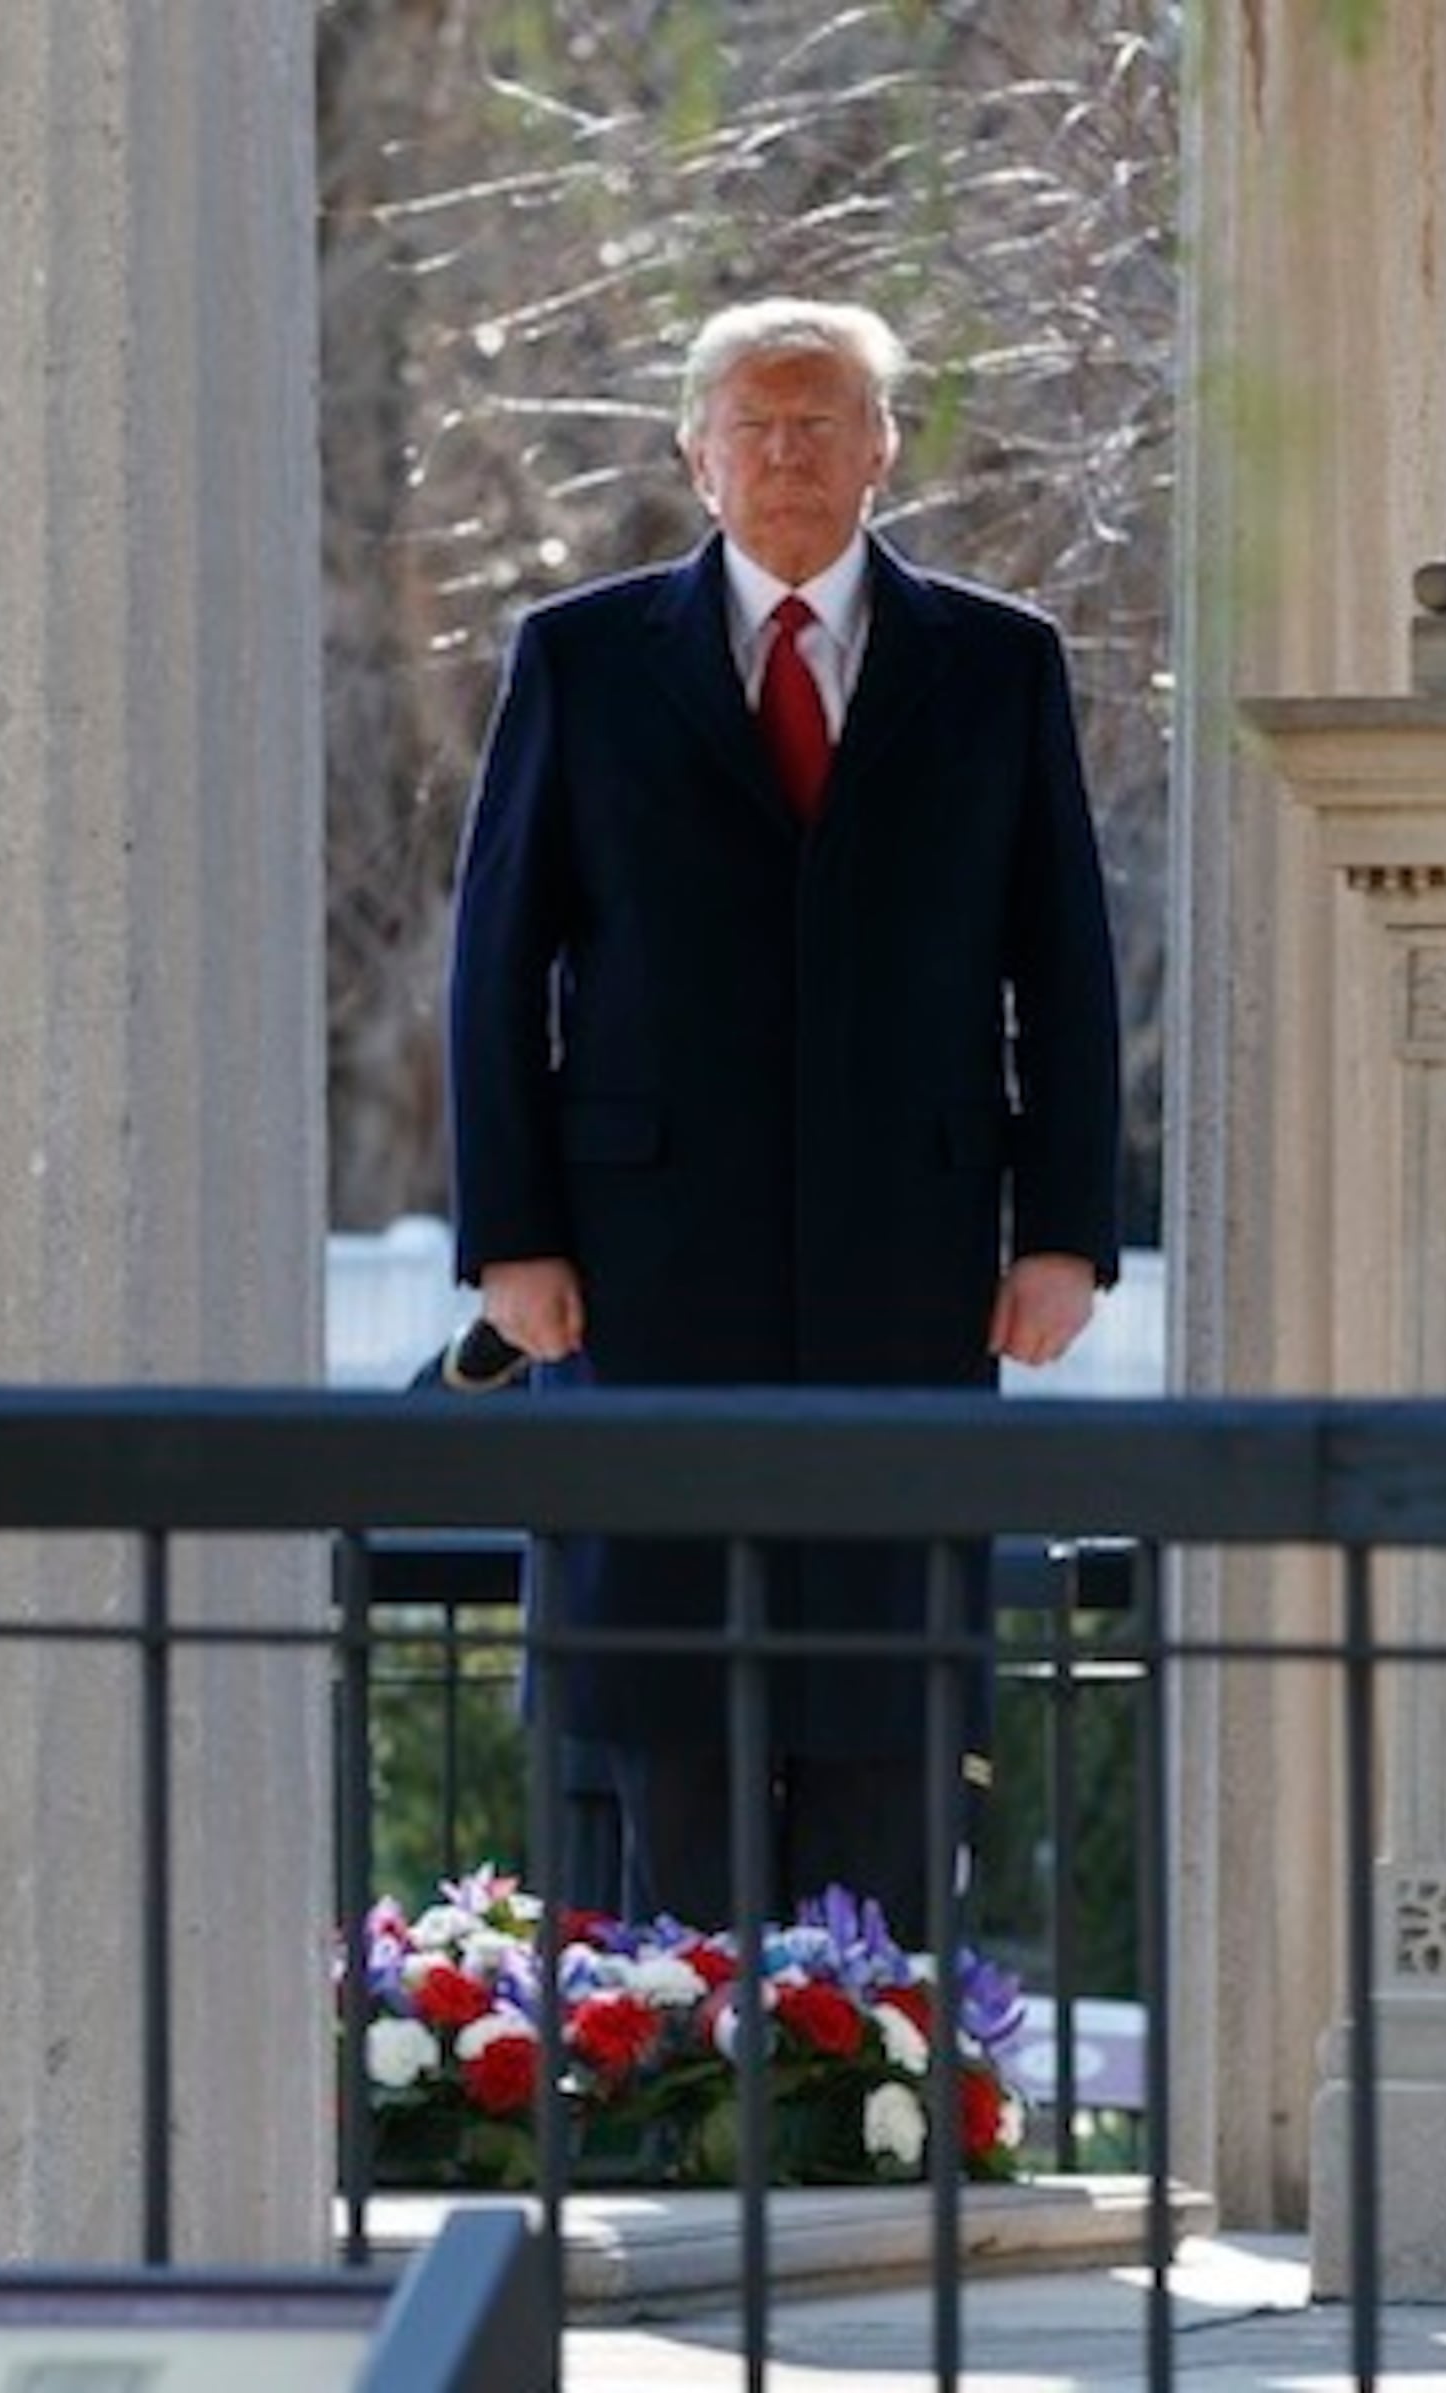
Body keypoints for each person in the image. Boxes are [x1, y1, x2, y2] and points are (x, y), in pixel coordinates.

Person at [442, 297, 1123, 1947]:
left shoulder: (997, 661)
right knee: (669, 1668)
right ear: (696, 454)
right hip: (640, 1257)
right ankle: (676, 2076)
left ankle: (868, 2085)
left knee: (890, 1666)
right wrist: (510, 1237)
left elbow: (1067, 960)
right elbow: (495, 958)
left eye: (825, 420)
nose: (791, 450)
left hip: (914, 1255)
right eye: (755, 422)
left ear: (886, 447)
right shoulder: (583, 656)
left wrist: (1064, 1234)